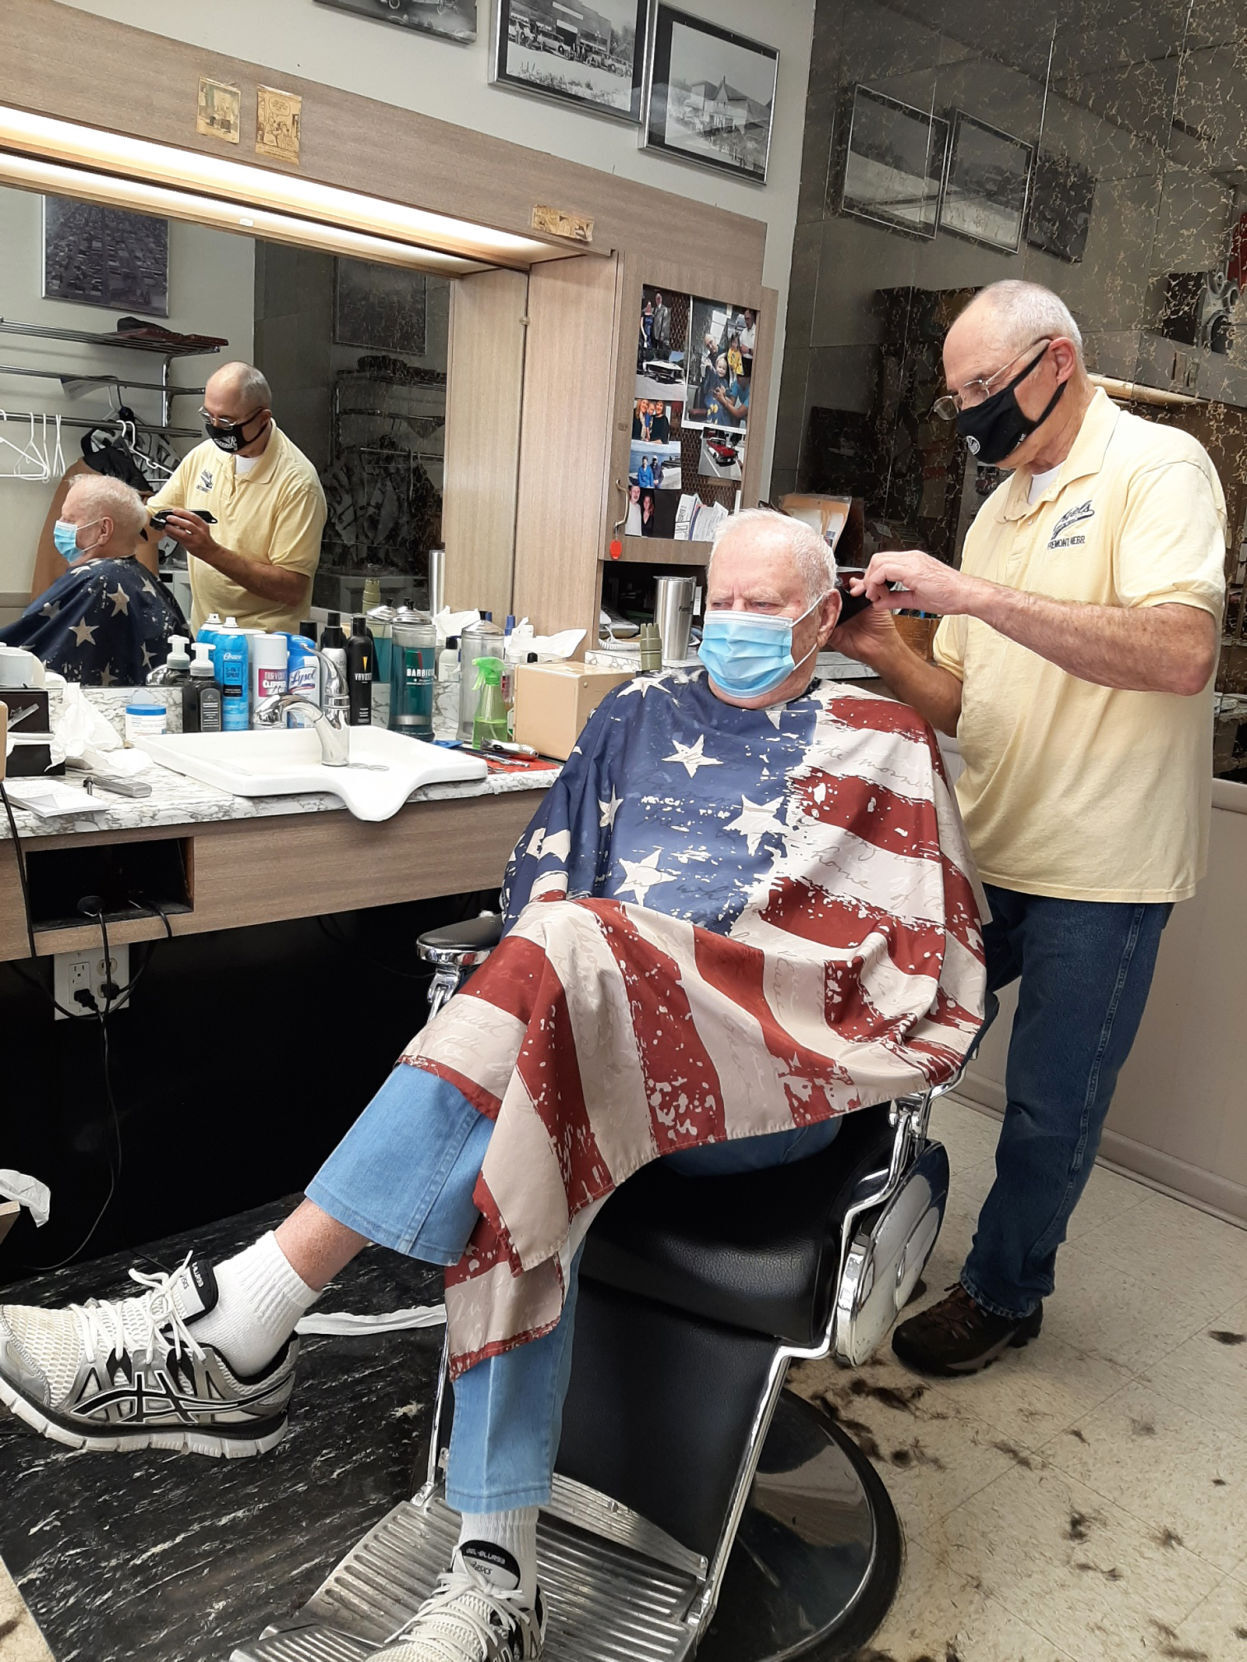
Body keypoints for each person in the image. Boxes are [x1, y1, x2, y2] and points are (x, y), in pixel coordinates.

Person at [0, 510, 984, 1662]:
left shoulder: (880, 741)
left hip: (768, 1082)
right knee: (546, 1064)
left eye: (764, 607)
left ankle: (245, 1321)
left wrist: (646, 975)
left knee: (571, 954)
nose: (734, 626)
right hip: (598, 1062)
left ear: (825, 618)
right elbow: (533, 901)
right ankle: (496, 1582)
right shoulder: (631, 717)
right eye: (718, 602)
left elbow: (922, 968)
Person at [835, 280, 1225, 1377]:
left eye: (980, 390)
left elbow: (1177, 654)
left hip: (1101, 867)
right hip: (987, 848)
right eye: (951, 398)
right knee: (894, 1034)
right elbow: (960, 700)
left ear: (1054, 360)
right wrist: (879, 647)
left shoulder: (1154, 470)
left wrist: (968, 595)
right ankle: (871, 1212)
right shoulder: (996, 505)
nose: (966, 418)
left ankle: (1005, 1292)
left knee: (1049, 1108)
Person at [146, 361, 326, 635]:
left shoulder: (297, 483)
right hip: (205, 640)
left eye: (227, 421)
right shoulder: (205, 456)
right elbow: (149, 520)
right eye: (209, 417)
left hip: (266, 652)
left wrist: (211, 552)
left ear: (263, 418)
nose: (217, 428)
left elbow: (292, 588)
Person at [0, 475, 185, 685]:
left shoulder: (97, 583)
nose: (59, 526)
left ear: (103, 530)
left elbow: (21, 652)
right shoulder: (141, 579)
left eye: (69, 520)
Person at [651, 290, 672, 361]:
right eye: (657, 298)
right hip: (654, 333)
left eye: (659, 298)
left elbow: (665, 323)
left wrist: (662, 334)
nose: (658, 300)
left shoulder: (664, 309)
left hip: (660, 334)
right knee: (654, 349)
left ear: (661, 299)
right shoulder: (655, 309)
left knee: (660, 349)